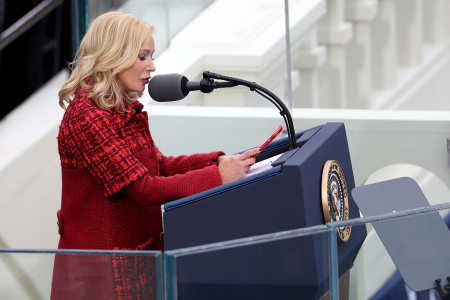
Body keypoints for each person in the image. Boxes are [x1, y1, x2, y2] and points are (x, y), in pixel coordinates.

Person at [51, 12, 259, 299]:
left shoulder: (121, 109)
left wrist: (217, 161)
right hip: (101, 276)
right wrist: (217, 176)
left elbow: (158, 166)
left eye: (151, 56)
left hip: (136, 261)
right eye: (143, 56)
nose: (152, 66)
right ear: (114, 55)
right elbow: (142, 189)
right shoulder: (85, 117)